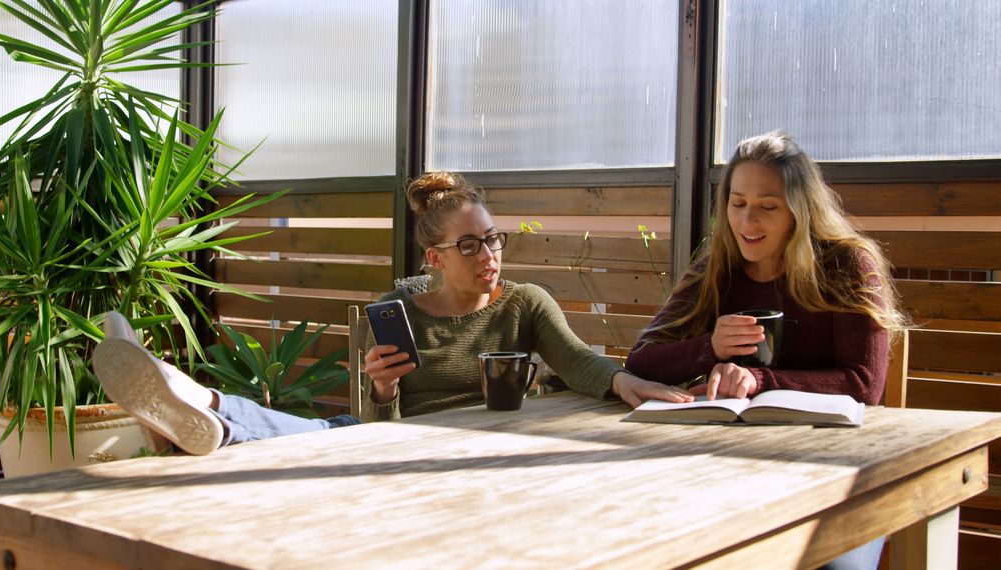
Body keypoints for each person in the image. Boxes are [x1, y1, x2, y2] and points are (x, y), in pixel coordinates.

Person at [624, 132, 906, 570]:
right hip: (737, 471)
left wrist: (760, 380)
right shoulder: (717, 264)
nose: (747, 222)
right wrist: (709, 348)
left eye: (767, 207)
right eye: (737, 204)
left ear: (800, 209)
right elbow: (642, 359)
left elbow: (864, 384)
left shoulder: (847, 264)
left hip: (841, 471)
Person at [361, 171, 693, 422]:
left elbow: (575, 358)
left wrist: (624, 383)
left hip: (503, 446)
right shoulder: (398, 313)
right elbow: (375, 431)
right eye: (468, 245)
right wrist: (383, 389)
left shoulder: (524, 304)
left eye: (492, 239)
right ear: (436, 259)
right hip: (420, 451)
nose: (487, 256)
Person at [93, 311, 359, 456]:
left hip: (378, 446)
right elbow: (381, 415)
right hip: (369, 430)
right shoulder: (396, 297)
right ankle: (201, 406)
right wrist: (384, 388)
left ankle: (198, 400)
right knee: (341, 428)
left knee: (340, 435)